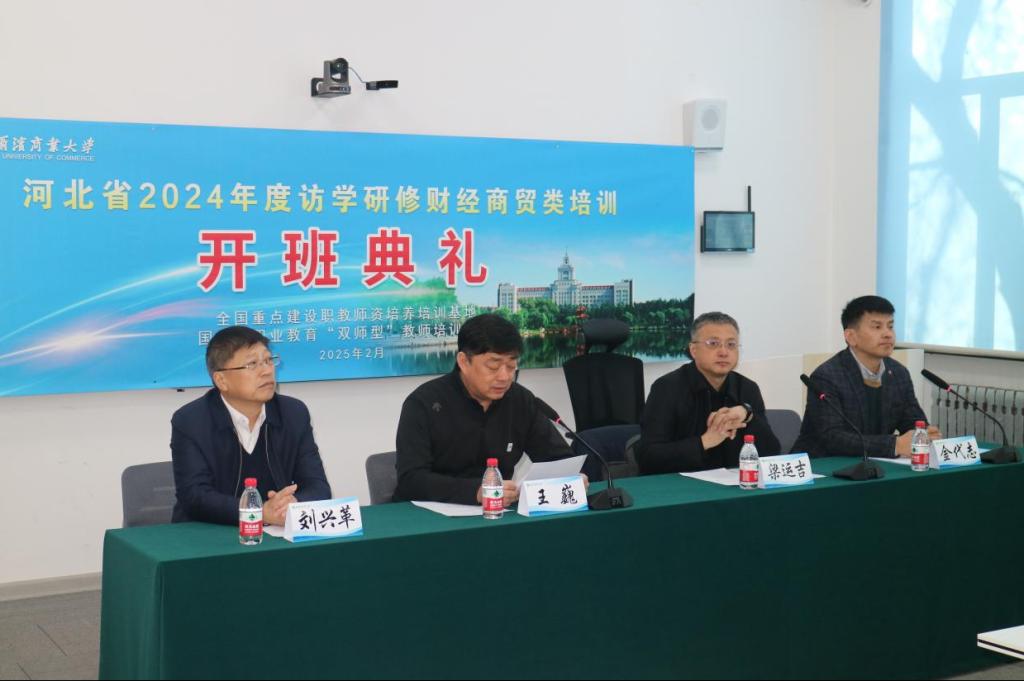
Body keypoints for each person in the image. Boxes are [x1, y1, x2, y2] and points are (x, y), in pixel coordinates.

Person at [394, 313, 579, 506]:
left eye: (511, 366)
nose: (504, 377)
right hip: (428, 516)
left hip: (499, 514)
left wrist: (570, 477)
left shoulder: (520, 400)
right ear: (464, 362)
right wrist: (476, 492)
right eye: (493, 366)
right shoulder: (423, 404)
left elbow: (558, 459)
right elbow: (411, 480)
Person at [170, 325, 331, 525]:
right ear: (221, 380)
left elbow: (318, 486)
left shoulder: (293, 413)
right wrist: (257, 513)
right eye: (252, 364)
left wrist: (292, 505)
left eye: (268, 360)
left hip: (274, 533)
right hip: (208, 533)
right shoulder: (191, 421)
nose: (266, 371)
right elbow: (195, 497)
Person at [791, 295, 940, 458]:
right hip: (822, 465)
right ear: (851, 337)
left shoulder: (898, 373)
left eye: (890, 326)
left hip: (874, 462)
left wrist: (923, 433)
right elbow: (833, 437)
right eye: (877, 327)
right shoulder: (827, 377)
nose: (887, 334)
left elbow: (912, 420)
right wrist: (895, 445)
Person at [637, 311, 780, 474]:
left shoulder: (747, 388)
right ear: (693, 350)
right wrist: (705, 441)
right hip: (681, 485)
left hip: (735, 484)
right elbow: (648, 458)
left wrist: (748, 415)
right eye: (713, 343)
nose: (724, 352)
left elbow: (772, 452)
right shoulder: (667, 388)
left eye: (731, 344)